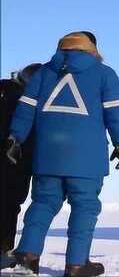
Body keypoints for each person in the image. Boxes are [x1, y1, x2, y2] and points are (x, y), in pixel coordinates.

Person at [6, 31, 119, 276]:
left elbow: (25, 108)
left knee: (42, 203)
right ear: (92, 48)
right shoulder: (105, 74)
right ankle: (76, 265)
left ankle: (27, 257)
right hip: (87, 158)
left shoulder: (43, 73)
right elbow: (115, 111)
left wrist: (15, 138)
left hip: (48, 155)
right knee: (84, 208)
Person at [0, 63, 41, 269]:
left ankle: (5, 250)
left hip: (18, 156)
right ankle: (5, 251)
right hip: (19, 156)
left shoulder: (5, 90)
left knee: (10, 203)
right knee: (11, 203)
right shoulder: (27, 99)